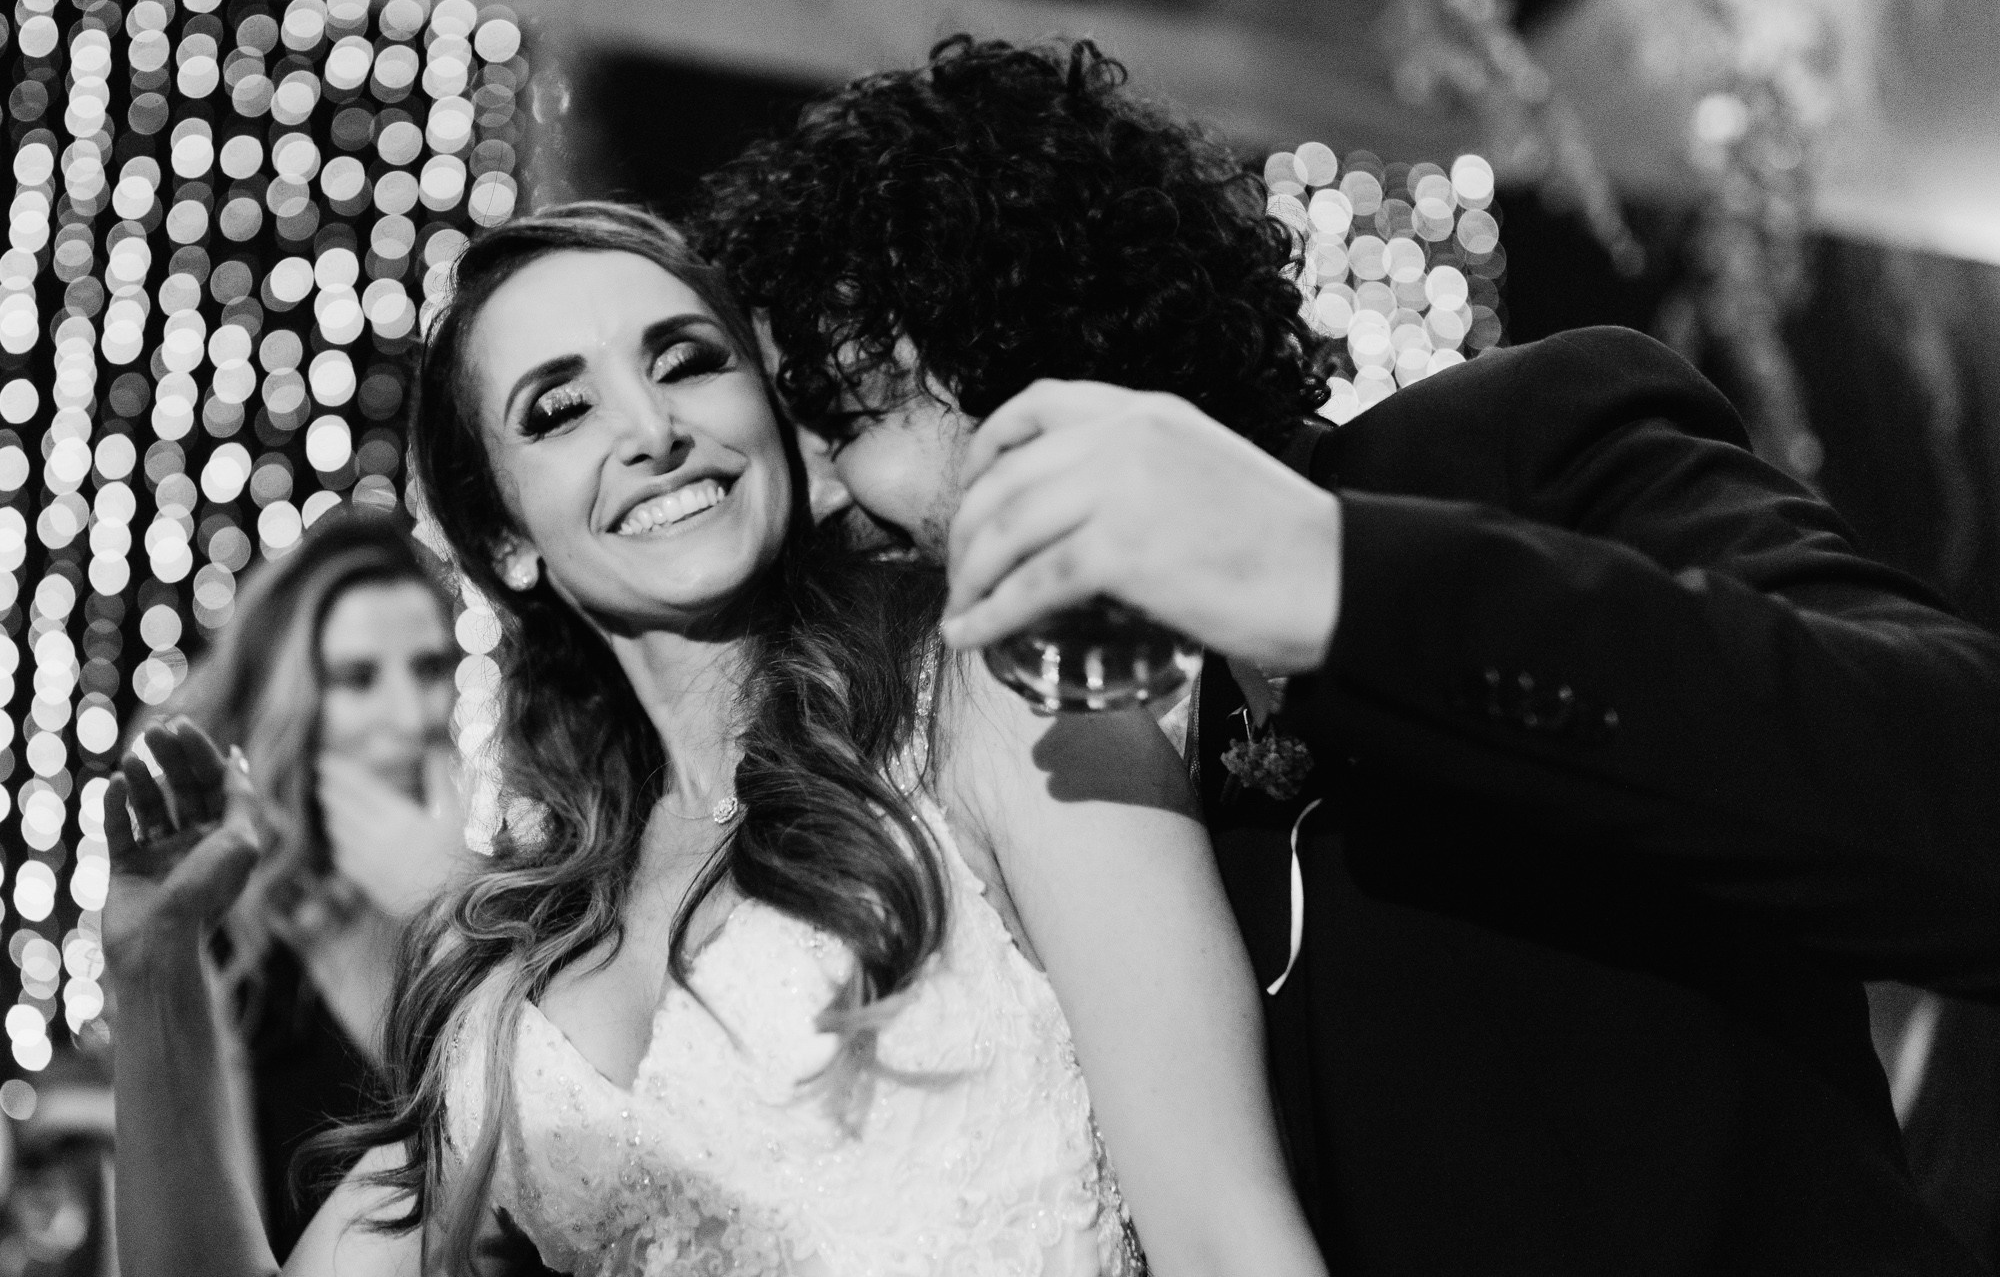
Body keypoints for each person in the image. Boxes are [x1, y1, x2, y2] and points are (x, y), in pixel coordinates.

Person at [692, 36, 2000, 1275]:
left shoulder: (1517, 445)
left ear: (1003, 333)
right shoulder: (993, 748)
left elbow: (1959, 787)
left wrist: (1335, 588)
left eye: (844, 420)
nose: (817, 502)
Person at [106, 203, 1327, 1277]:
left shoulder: (997, 698)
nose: (651, 429)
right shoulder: (509, 967)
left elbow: (1226, 1237)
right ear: (507, 538)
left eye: (686, 362)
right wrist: (155, 966)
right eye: (561, 410)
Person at [123, 510, 470, 1258]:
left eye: (430, 668)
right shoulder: (232, 943)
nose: (412, 716)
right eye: (358, 678)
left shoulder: (498, 896)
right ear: (294, 703)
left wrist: (454, 905)